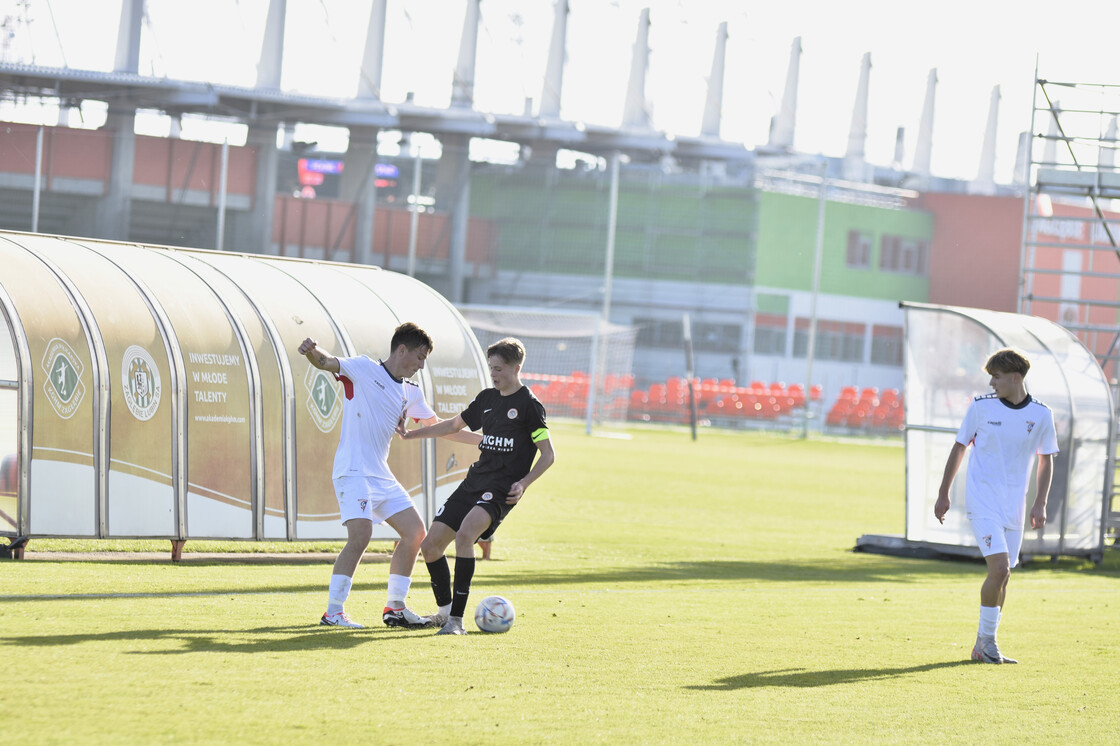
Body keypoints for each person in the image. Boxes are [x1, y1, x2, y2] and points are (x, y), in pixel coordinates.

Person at [298, 323, 481, 630]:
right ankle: (333, 611)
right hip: (352, 470)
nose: (422, 366)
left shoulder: (411, 392)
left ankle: (395, 607)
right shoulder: (363, 368)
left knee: (415, 532)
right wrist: (311, 350)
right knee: (361, 536)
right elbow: (326, 362)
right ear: (401, 350)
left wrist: (486, 441)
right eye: (420, 357)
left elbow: (443, 427)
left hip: (380, 475)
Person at [399, 337, 556, 635]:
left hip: (500, 491)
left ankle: (456, 622)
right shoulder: (486, 398)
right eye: (491, 368)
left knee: (466, 535)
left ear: (516, 368)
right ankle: (445, 613)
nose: (494, 374)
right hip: (474, 482)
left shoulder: (529, 407)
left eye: (499, 368)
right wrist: (412, 435)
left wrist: (523, 483)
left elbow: (548, 455)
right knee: (430, 546)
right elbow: (452, 426)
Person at [934, 347, 1058, 664]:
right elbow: (959, 447)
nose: (991, 382)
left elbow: (1046, 460)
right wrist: (943, 493)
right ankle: (985, 644)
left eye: (997, 376)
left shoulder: (1042, 415)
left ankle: (986, 645)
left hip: (1014, 507)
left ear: (1016, 378)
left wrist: (1040, 503)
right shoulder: (980, 408)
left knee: (1004, 576)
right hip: (981, 501)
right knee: (998, 568)